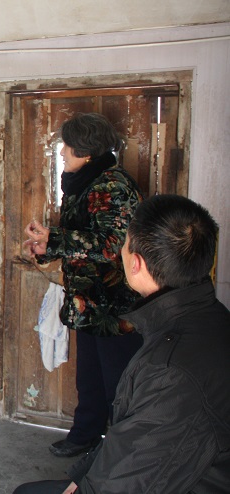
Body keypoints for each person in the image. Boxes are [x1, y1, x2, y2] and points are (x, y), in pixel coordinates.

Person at [14, 194, 230, 493]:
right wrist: (82, 475)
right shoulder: (209, 316)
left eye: (124, 246)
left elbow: (132, 478)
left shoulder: (170, 373)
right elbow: (132, 438)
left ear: (136, 263)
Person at [24, 113, 143, 457]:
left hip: (115, 305)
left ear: (87, 152)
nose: (62, 152)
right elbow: (77, 240)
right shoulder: (83, 183)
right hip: (88, 301)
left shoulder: (113, 185)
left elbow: (111, 245)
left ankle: (122, 454)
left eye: (68, 145)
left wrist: (55, 239)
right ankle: (85, 436)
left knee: (119, 383)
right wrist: (45, 248)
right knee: (89, 377)